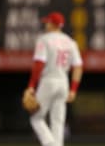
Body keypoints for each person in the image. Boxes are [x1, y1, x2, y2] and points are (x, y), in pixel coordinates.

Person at [23, 11, 83, 146]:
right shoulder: (70, 42)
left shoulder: (44, 40)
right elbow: (78, 67)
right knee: (58, 121)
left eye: (47, 22)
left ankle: (50, 143)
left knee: (36, 118)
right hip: (63, 83)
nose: (46, 24)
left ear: (52, 24)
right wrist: (73, 89)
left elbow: (39, 64)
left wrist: (31, 86)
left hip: (48, 80)